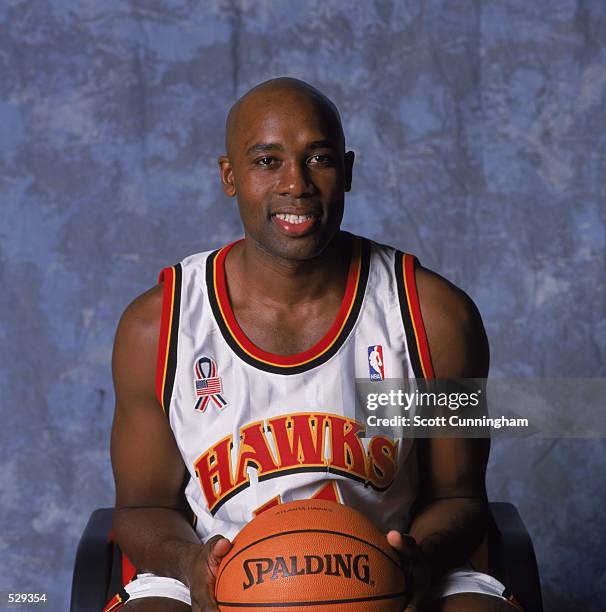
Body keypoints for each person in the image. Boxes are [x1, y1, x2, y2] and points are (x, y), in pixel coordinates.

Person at [105, 77, 522, 612]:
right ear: (229, 177)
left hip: (394, 573)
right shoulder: (157, 328)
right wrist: (193, 565)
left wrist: (418, 559)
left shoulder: (433, 317)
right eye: (266, 161)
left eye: (318, 158)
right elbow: (141, 508)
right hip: (215, 580)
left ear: (346, 171)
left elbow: (458, 497)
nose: (296, 184)